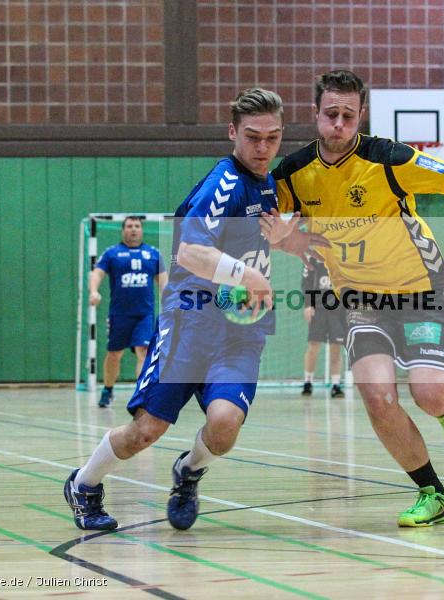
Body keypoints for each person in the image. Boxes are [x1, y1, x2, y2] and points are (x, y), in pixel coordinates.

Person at [64, 87, 322, 531]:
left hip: (241, 330)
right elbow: (189, 252)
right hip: (190, 324)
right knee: (146, 432)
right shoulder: (222, 184)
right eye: (252, 137)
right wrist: (248, 276)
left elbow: (258, 240)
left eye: (273, 138)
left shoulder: (269, 185)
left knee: (224, 427)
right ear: (232, 133)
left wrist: (289, 243)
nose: (263, 148)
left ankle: (188, 472)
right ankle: (84, 483)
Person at [267, 70, 444, 527]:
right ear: (315, 114)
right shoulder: (291, 174)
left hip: (418, 291)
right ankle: (432, 491)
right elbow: (286, 235)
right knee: (377, 395)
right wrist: (284, 241)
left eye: (348, 116)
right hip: (359, 299)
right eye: (331, 114)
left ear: (360, 116)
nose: (338, 124)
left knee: (429, 395)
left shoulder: (389, 158)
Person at [89, 216, 167, 408]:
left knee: (143, 351)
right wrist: (93, 291)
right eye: (130, 226)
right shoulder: (113, 253)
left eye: (137, 226)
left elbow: (163, 281)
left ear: (142, 230)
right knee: (114, 354)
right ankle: (107, 389)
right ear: (123, 230)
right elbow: (97, 272)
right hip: (119, 315)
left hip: (144, 314)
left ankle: (141, 395)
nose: (134, 229)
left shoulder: (153, 254)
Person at [300, 256, 346, 398]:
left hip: (337, 309)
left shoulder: (341, 257)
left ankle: (336, 384)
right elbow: (306, 283)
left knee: (335, 347)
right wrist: (308, 304)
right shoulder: (312, 259)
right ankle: (308, 382)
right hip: (318, 308)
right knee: (313, 346)